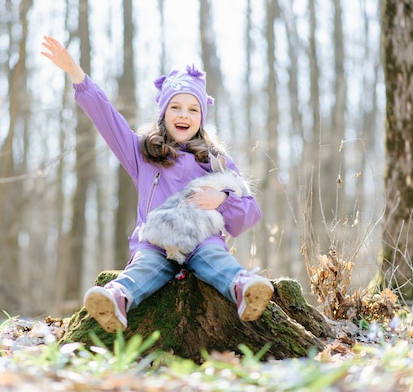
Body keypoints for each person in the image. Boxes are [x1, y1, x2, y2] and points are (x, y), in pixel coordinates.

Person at [41, 35, 273, 333]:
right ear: (163, 112)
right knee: (143, 268)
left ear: (201, 118)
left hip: (202, 240)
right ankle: (116, 300)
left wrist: (223, 199)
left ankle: (245, 289)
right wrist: (76, 74)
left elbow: (248, 214)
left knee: (216, 259)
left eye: (193, 109)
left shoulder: (216, 161)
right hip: (156, 242)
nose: (183, 115)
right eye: (176, 107)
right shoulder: (143, 154)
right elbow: (107, 119)